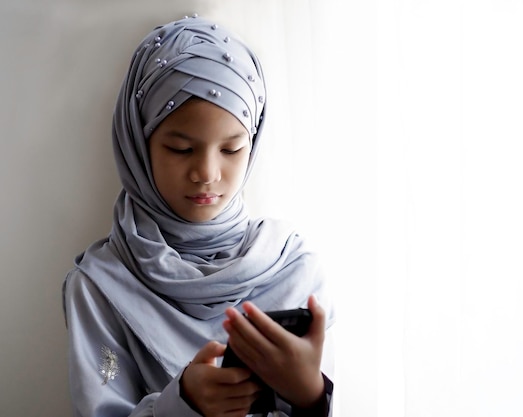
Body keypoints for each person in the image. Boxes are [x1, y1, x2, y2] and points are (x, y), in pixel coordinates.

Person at [63, 15, 335, 417]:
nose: (207, 173)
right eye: (180, 148)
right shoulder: (101, 286)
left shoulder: (294, 269)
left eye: (231, 149)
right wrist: (182, 403)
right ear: (139, 145)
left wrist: (311, 393)